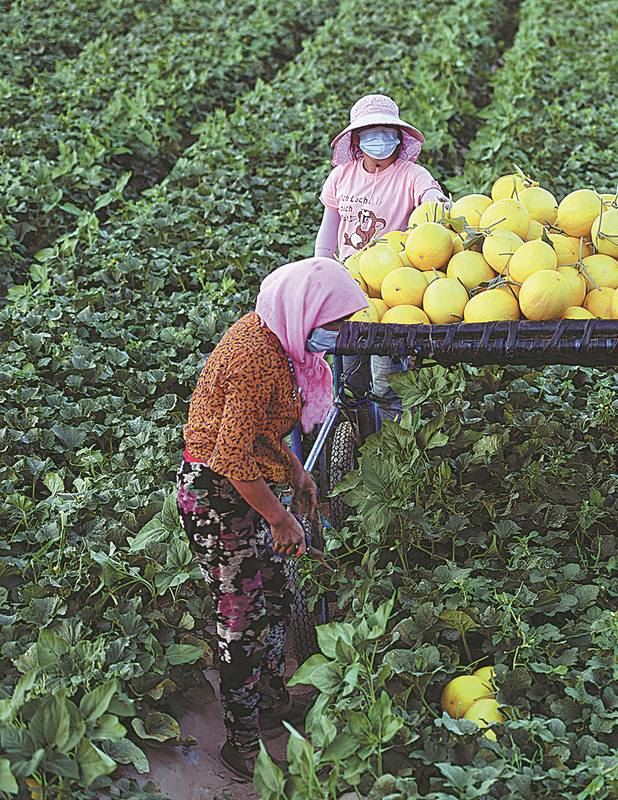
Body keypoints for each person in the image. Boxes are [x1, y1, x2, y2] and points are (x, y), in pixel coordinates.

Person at [175, 258, 368, 781]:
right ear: (306, 313)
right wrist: (281, 518)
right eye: (335, 324)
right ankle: (240, 743)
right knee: (242, 615)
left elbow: (261, 434)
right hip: (216, 496)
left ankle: (271, 700)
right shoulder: (254, 357)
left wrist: (297, 472)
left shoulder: (279, 340)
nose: (339, 335)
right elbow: (233, 459)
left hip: (247, 487)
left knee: (278, 591)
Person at [314, 93, 451, 421]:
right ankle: (356, 436)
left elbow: (430, 194)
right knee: (349, 374)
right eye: (371, 132)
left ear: (399, 136)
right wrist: (321, 267)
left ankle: (392, 439)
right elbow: (328, 229)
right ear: (357, 139)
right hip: (349, 284)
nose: (380, 139)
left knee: (386, 377)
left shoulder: (411, 175)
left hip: (394, 287)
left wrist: (436, 202)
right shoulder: (341, 177)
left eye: (387, 132)